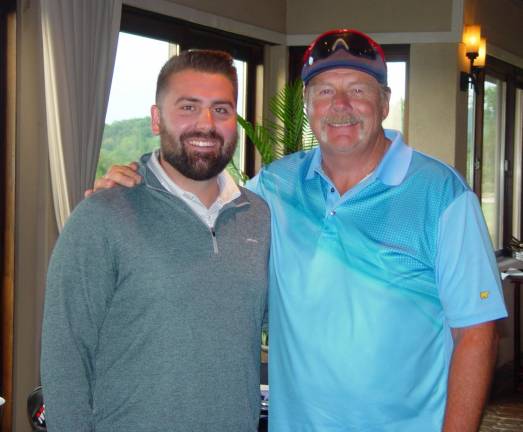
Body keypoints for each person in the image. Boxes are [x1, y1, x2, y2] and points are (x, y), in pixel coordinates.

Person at [92, 29, 507, 431]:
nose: (341, 105)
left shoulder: (442, 194)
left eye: (358, 90)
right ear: (309, 106)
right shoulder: (273, 188)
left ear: (384, 103)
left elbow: (476, 334)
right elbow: (197, 202)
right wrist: (138, 185)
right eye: (325, 91)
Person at [41, 50, 270, 432]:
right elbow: (65, 357)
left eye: (221, 110)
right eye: (188, 107)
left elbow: (288, 324)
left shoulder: (259, 216)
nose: (206, 124)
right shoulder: (103, 216)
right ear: (155, 118)